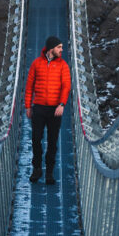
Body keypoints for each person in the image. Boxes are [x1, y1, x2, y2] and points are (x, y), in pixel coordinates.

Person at [24, 35, 70, 184]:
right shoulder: (36, 64)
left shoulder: (63, 65)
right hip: (38, 108)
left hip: (55, 110)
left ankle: (49, 172)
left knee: (52, 141)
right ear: (51, 49)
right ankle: (37, 169)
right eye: (59, 47)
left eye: (62, 47)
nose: (62, 50)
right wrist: (28, 106)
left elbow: (66, 86)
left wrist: (62, 104)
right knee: (36, 139)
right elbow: (29, 86)